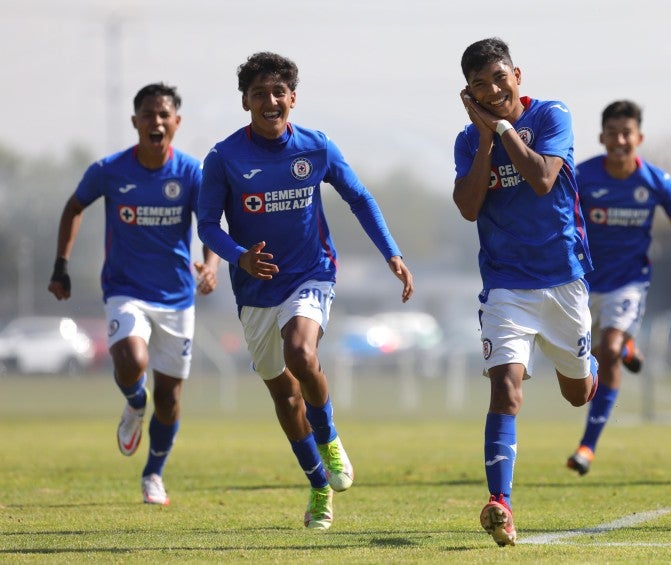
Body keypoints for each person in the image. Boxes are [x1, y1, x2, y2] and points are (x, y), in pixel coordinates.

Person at [196, 52, 414, 530]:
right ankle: (318, 484)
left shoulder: (317, 148)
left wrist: (391, 252)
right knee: (284, 396)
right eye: (259, 94)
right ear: (245, 102)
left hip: (311, 275)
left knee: (301, 351)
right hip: (254, 290)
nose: (270, 101)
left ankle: (330, 438)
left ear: (292, 98)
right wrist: (240, 257)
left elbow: (359, 196)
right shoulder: (224, 158)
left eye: (278, 92)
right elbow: (208, 225)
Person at [453, 37, 598, 546]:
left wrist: (503, 129)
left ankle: (591, 366)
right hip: (505, 287)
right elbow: (469, 208)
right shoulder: (467, 142)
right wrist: (486, 140)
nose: (492, 90)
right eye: (479, 84)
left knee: (578, 394)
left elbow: (541, 178)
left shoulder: (554, 115)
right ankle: (501, 504)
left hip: (563, 279)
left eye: (499, 78)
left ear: (518, 75)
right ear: (467, 92)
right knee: (505, 389)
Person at [48, 82, 220, 506]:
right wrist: (61, 265)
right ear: (135, 122)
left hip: (177, 296)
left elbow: (210, 224)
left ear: (176, 123)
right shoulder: (109, 170)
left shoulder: (191, 173)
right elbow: (74, 207)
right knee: (130, 361)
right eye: (148, 115)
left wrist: (211, 266)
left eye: (164, 115)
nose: (156, 122)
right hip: (125, 289)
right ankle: (133, 403)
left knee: (171, 397)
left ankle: (153, 474)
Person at [565, 100, 671, 476]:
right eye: (613, 133)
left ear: (639, 137)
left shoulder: (656, 181)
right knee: (581, 362)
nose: (620, 140)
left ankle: (587, 446)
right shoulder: (583, 176)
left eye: (627, 133)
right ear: (601, 137)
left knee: (608, 350)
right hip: (583, 284)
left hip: (629, 283)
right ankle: (628, 344)